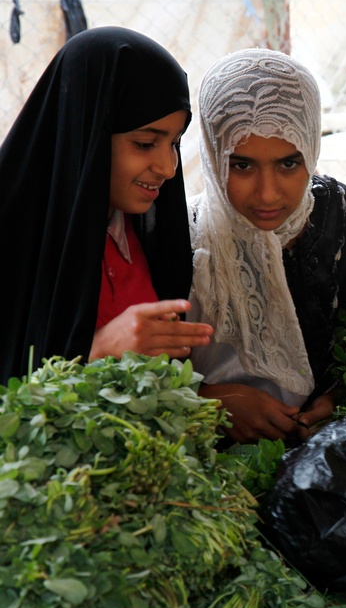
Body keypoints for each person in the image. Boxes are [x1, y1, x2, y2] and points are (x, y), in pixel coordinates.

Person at [188, 48, 346, 445]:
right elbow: (145, 377)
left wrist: (338, 397)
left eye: (289, 164)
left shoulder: (341, 215)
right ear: (212, 152)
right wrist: (208, 404)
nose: (268, 193)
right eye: (241, 165)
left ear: (310, 148)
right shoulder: (182, 237)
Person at [0, 26, 213, 383]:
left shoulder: (143, 237)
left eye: (174, 143)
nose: (168, 168)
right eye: (145, 144)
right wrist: (97, 352)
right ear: (88, 133)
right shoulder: (12, 238)